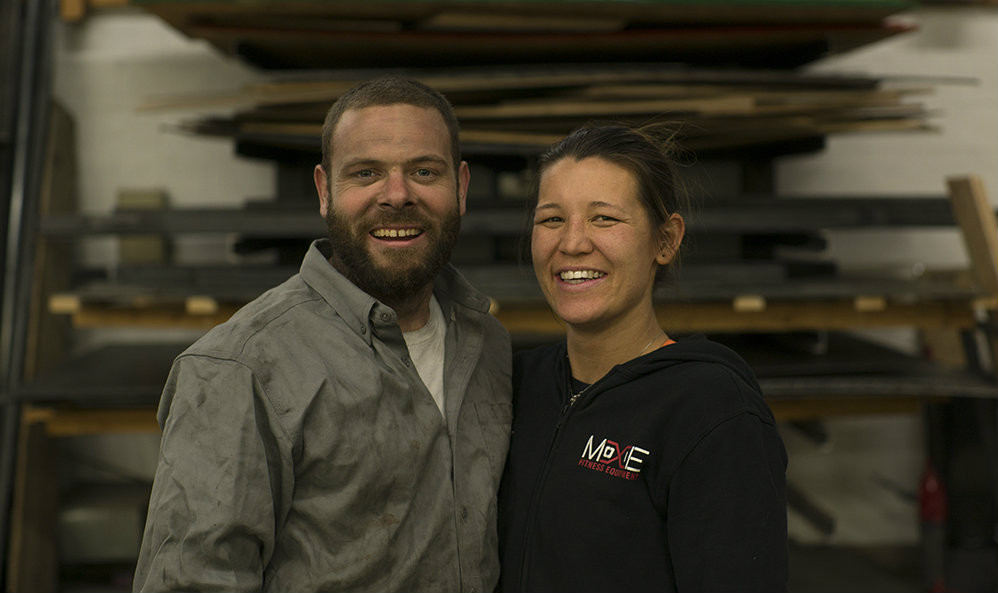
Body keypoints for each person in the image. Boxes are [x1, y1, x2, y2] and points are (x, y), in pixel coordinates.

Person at [133, 77, 512, 592]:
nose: (397, 195)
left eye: (425, 171)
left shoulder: (487, 344)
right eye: (365, 173)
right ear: (325, 190)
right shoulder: (241, 369)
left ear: (461, 188)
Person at [498, 123, 788, 592]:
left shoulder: (712, 411)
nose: (572, 243)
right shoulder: (516, 386)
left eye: (603, 218)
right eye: (551, 220)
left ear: (665, 240)